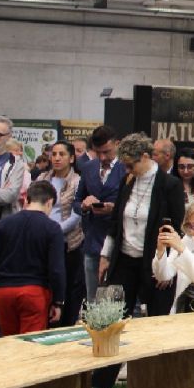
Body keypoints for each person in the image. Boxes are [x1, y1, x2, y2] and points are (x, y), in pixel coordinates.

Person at [99, 133, 186, 318]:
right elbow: (115, 222)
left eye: (131, 165)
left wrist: (168, 268)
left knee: (157, 318)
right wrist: (105, 256)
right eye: (124, 165)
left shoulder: (170, 185)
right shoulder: (127, 180)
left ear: (145, 157)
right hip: (124, 260)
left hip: (154, 261)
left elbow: (177, 230)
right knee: (114, 316)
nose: (127, 169)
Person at [0, 181, 65, 336]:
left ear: (27, 199)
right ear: (49, 202)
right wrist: (58, 301)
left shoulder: (4, 224)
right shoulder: (52, 228)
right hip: (34, 292)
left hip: (4, 292)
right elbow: (56, 269)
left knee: (9, 341)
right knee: (30, 343)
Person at [75, 125, 126, 302]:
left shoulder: (127, 168)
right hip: (93, 243)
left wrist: (114, 208)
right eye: (98, 153)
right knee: (92, 299)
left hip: (119, 245)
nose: (102, 157)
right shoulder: (89, 167)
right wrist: (84, 206)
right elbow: (76, 202)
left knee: (118, 301)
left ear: (117, 144)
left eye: (106, 152)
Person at [39, 141, 86, 326]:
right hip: (42, 240)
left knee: (68, 287)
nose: (57, 158)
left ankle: (65, 324)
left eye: (62, 154)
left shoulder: (78, 181)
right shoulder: (42, 178)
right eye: (54, 154)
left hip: (68, 242)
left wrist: (54, 231)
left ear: (72, 158)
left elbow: (77, 215)